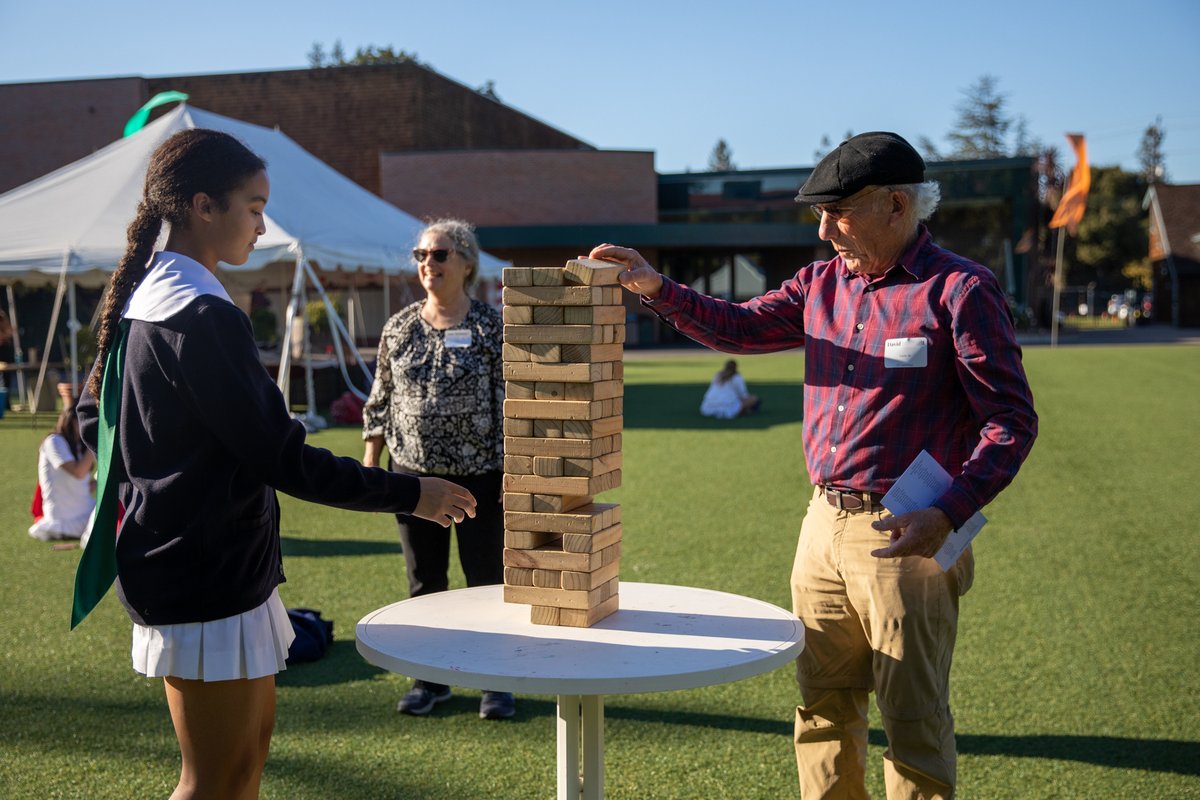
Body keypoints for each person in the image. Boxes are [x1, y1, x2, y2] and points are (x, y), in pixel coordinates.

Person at [590, 132, 1037, 799]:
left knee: (911, 718)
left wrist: (948, 513)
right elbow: (738, 327)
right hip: (821, 523)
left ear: (895, 206)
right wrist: (655, 287)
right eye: (819, 214)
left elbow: (1010, 421)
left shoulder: (959, 289)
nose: (825, 230)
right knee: (822, 708)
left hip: (908, 527)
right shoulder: (821, 283)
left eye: (839, 212)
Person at [75, 129, 477, 800]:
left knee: (243, 771)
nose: (263, 226)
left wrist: (161, 473)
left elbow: (95, 419)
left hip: (214, 570)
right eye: (254, 207)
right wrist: (411, 493)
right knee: (213, 783)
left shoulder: (156, 296)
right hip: (202, 577)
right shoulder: (195, 311)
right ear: (204, 206)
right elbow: (280, 457)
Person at [361, 218, 513, 721]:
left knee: (486, 581)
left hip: (480, 476)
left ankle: (495, 681)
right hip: (411, 478)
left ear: (467, 262)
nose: (429, 264)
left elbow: (512, 402)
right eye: (422, 255)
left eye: (441, 254)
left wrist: (514, 472)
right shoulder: (399, 326)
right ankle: (430, 680)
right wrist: (370, 467)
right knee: (425, 583)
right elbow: (380, 400)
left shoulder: (492, 327)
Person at [29, 404, 96, 543]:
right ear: (71, 420)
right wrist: (95, 444)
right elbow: (78, 473)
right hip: (65, 518)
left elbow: (82, 486)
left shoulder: (79, 446)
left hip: (85, 510)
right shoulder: (54, 441)